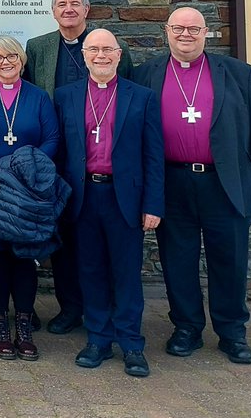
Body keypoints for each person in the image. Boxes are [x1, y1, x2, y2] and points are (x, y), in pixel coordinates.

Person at [132, 6, 251, 365]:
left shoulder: (237, 73)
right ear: (166, 31)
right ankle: (187, 328)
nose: (186, 34)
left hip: (225, 182)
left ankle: (232, 333)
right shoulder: (145, 73)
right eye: (179, 28)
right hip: (172, 181)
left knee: (228, 259)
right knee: (177, 259)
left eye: (193, 29)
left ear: (206, 33)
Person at [23, 0, 133, 335]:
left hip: (102, 160)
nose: (68, 9)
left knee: (108, 244)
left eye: (75, 4)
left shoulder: (111, 47)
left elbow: (128, 99)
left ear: (86, 10)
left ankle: (111, 312)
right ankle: (70, 307)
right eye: (61, 4)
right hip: (59, 162)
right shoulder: (37, 48)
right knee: (66, 240)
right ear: (52, 12)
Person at [55, 28, 164, 377]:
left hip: (125, 197)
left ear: (119, 55)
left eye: (108, 50)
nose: (100, 56)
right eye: (94, 50)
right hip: (84, 195)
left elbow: (153, 155)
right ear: (84, 55)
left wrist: (153, 204)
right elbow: (59, 153)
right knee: (90, 270)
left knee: (127, 273)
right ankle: (98, 339)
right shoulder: (65, 95)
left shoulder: (142, 97)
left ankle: (132, 343)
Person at [0, 35, 60, 361]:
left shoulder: (38, 97)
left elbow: (52, 138)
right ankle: (0, 324)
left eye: (12, 57)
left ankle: (24, 324)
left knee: (23, 255)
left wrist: (24, 170)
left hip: (27, 188)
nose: (6, 63)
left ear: (22, 60)